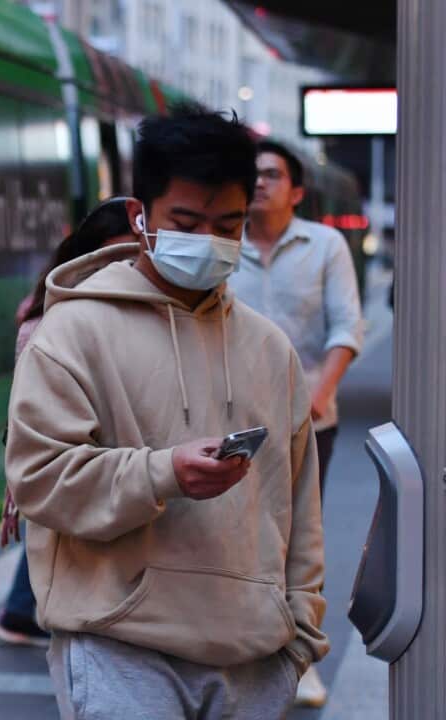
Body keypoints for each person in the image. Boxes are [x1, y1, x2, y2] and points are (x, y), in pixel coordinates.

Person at [6, 105, 327, 719]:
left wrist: (300, 636)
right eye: (186, 220)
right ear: (140, 216)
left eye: (228, 223)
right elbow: (40, 480)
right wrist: (163, 473)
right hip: (119, 651)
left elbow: (300, 500)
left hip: (256, 659)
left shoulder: (269, 347)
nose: (207, 239)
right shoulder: (72, 333)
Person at [228, 142, 363, 708]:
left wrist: (318, 393)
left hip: (308, 422)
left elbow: (346, 328)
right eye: (252, 173)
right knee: (230, 540)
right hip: (228, 422)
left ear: (297, 191)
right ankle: (237, 649)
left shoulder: (326, 245)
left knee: (295, 543)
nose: (259, 182)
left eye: (272, 174)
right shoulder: (221, 243)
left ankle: (298, 658)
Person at [0, 196, 141, 648]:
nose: (124, 270)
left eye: (135, 258)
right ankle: (28, 613)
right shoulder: (46, 322)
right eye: (111, 257)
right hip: (80, 481)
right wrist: (15, 492)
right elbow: (27, 416)